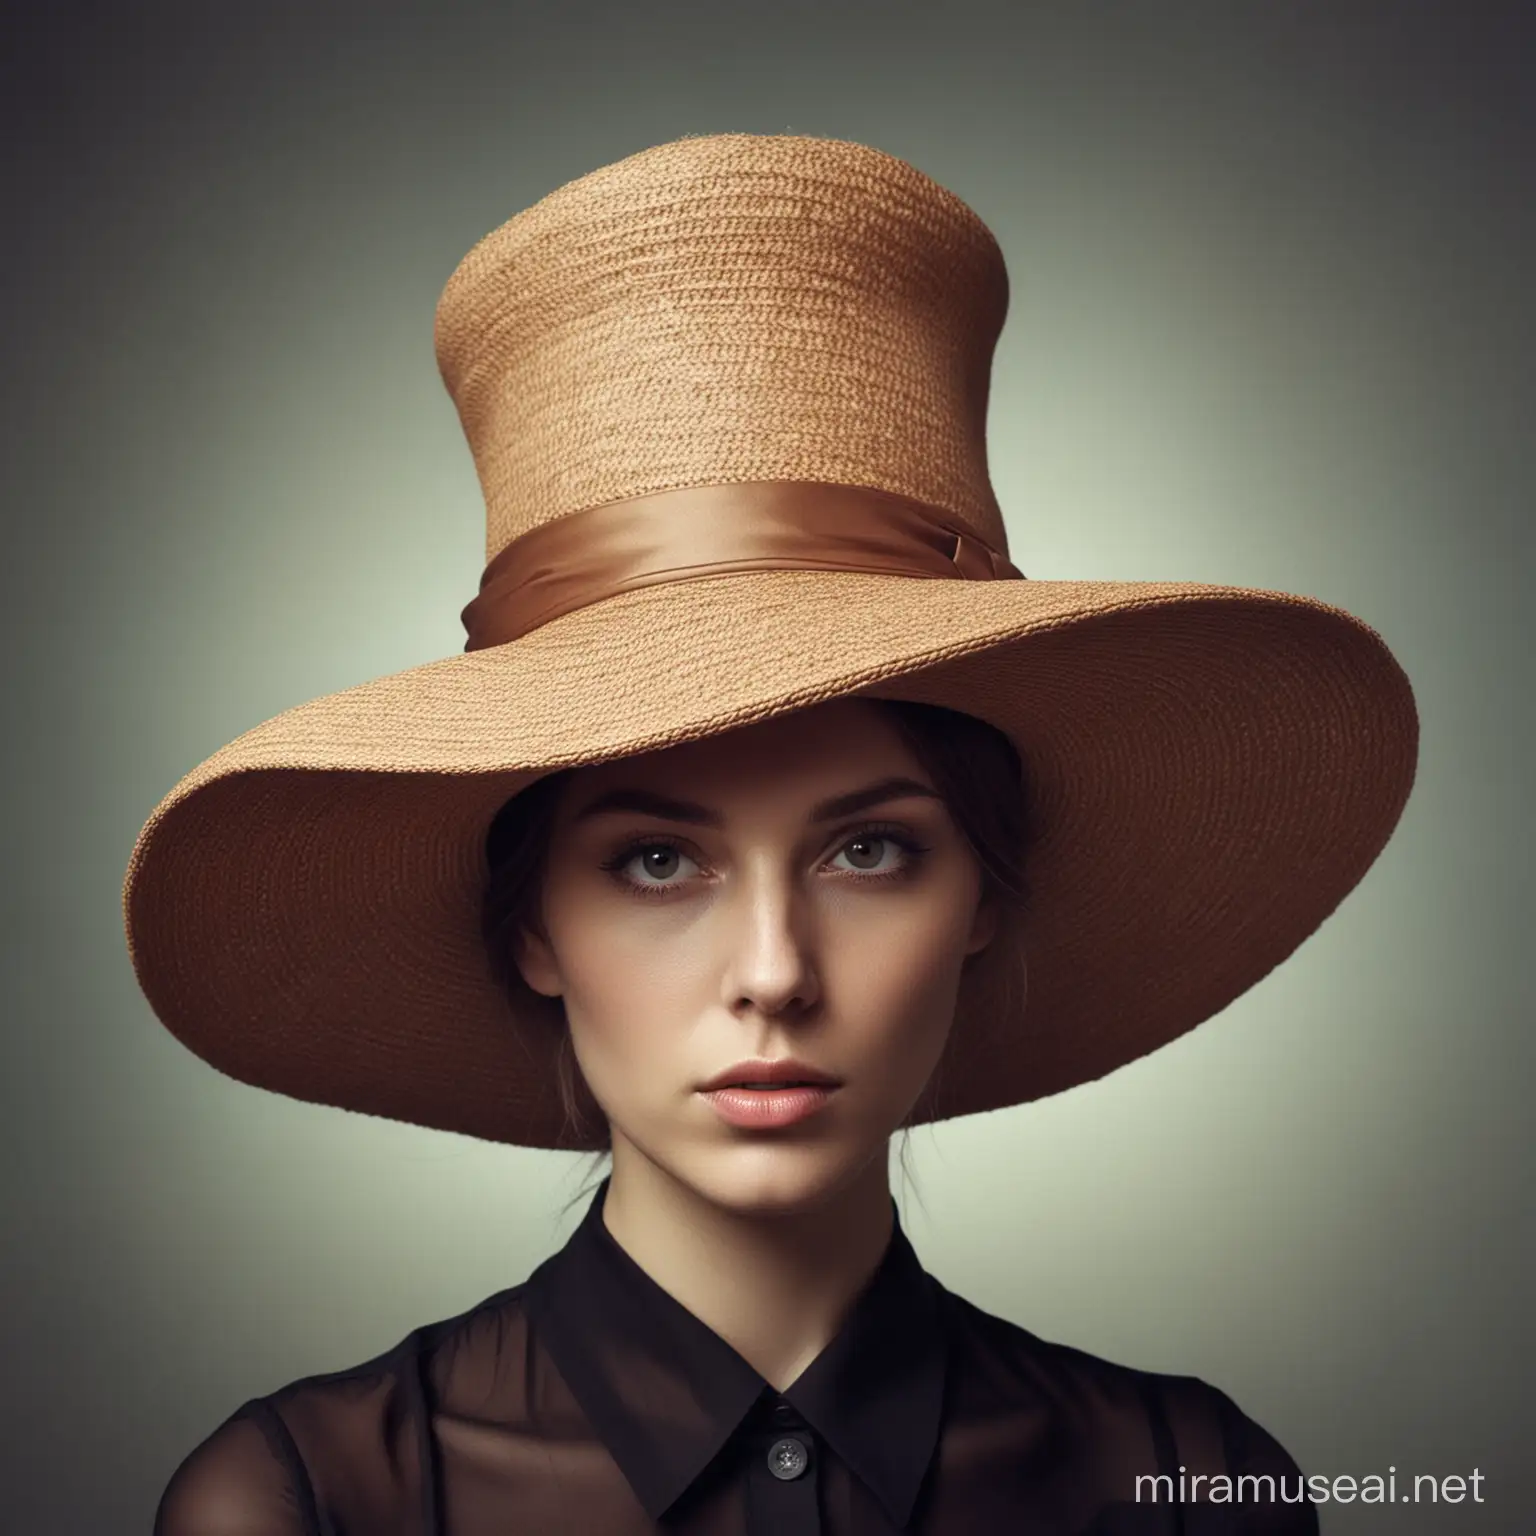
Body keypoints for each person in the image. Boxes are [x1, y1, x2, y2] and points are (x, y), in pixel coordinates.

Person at [126, 132, 1418, 1534]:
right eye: (657, 860)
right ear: (533, 930)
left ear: (983, 891)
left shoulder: (1190, 1488)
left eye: (869, 851)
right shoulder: (310, 1503)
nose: (773, 971)